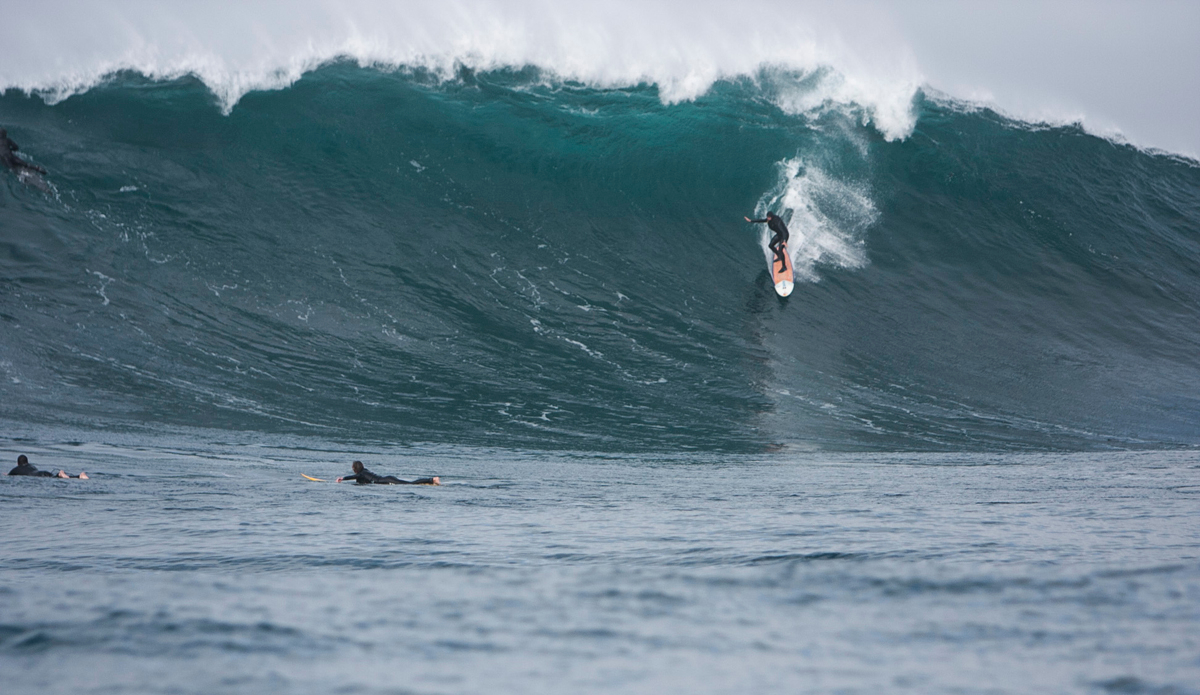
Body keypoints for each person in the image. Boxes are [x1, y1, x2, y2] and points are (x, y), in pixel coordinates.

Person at [336, 460, 439, 485]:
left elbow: (353, 477)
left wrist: (343, 478)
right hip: (387, 478)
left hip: (387, 480)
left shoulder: (361, 473)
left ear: (355, 468)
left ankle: (432, 479)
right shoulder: (364, 471)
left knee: (410, 484)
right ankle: (431, 480)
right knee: (409, 483)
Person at [7, 454, 88, 479]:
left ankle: (77, 476)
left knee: (56, 477)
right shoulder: (31, 466)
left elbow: (9, 475)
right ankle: (78, 476)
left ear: (18, 463)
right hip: (42, 472)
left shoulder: (15, 470)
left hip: (39, 476)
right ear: (27, 462)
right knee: (55, 476)